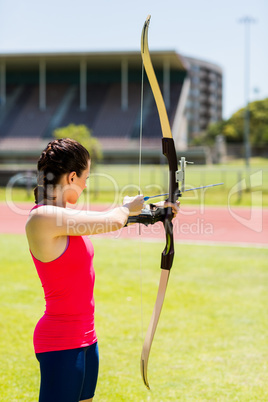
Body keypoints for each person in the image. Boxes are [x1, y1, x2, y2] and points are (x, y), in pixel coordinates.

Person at [25, 138, 179, 402]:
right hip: (60, 341)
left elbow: (114, 220)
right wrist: (127, 207)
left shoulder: (65, 219)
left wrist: (158, 215)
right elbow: (112, 219)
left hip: (87, 338)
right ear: (72, 176)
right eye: (86, 177)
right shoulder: (42, 218)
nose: (86, 184)